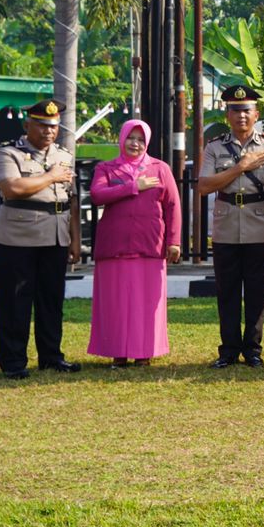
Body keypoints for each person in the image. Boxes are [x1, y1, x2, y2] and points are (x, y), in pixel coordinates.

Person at [0, 98, 81, 378]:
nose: (48, 132)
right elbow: (13, 187)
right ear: (27, 125)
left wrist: (75, 240)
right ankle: (13, 362)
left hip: (55, 236)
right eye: (42, 126)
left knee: (51, 301)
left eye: (53, 127)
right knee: (14, 302)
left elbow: (72, 200)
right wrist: (51, 176)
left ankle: (51, 356)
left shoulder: (63, 155)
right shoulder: (8, 153)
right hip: (18, 236)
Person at [197, 84, 264, 368]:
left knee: (257, 292)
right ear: (227, 115)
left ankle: (253, 349)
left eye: (246, 110)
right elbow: (203, 186)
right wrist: (240, 167)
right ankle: (229, 349)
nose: (241, 116)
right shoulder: (214, 147)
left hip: (259, 225)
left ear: (256, 113)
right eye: (235, 111)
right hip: (225, 228)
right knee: (227, 291)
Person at [88, 119, 180, 368]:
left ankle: (144, 352)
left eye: (140, 139)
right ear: (122, 139)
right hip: (114, 246)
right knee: (115, 302)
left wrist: (174, 242)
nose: (135, 144)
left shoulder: (159, 169)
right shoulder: (106, 169)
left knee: (146, 302)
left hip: (149, 245)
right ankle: (118, 352)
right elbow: (96, 195)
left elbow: (173, 205)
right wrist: (133, 187)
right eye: (131, 138)